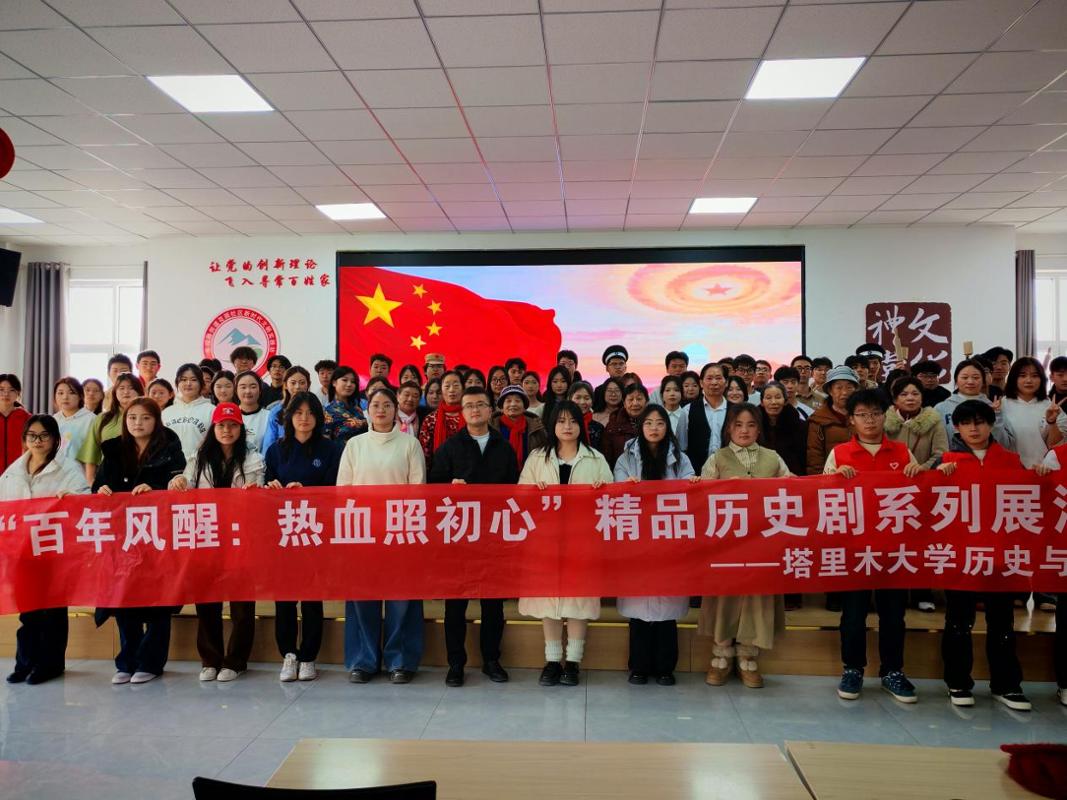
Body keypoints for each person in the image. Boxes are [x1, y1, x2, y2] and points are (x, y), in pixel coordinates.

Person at [825, 389, 923, 704]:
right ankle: (852, 669)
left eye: (876, 414)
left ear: (885, 416)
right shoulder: (839, 453)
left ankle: (892, 671)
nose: (870, 420)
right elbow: (822, 499)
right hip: (853, 548)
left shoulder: (902, 452)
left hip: (894, 550)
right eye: (863, 415)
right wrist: (835, 479)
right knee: (853, 615)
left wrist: (919, 475)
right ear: (851, 420)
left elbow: (922, 498)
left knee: (893, 614)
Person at [935, 399, 1031, 710]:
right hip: (961, 556)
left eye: (979, 422)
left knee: (1002, 622)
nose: (973, 429)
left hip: (1000, 556)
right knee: (958, 622)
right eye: (966, 423)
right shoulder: (946, 462)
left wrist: (1041, 475)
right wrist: (936, 476)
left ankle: (1007, 685)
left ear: (991, 425)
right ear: (957, 428)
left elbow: (1030, 502)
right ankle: (958, 682)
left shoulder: (1012, 462)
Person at [428, 386, 519, 687]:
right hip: (459, 535)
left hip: (493, 535)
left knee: (493, 604)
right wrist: (449, 488)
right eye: (469, 406)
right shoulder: (450, 447)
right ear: (462, 411)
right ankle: (456, 664)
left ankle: (491, 660)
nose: (475, 410)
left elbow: (514, 489)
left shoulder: (503, 447)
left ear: (491, 409)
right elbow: (434, 488)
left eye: (481, 404)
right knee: (455, 605)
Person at [168, 403, 265, 682]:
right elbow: (184, 484)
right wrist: (177, 482)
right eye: (221, 425)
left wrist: (255, 491)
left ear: (241, 429)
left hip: (239, 538)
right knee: (207, 600)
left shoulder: (253, 459)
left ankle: (236, 661)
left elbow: (261, 492)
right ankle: (210, 659)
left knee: (242, 605)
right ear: (213, 428)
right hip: (206, 536)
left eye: (233, 425)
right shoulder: (198, 458)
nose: (227, 430)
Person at [93, 398, 185, 684]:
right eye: (132, 417)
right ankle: (127, 661)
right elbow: (97, 486)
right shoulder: (113, 449)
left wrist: (155, 489)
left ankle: (151, 662)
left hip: (157, 535)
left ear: (156, 421)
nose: (137, 423)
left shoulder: (170, 448)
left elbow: (178, 486)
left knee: (158, 599)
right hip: (123, 536)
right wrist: (101, 489)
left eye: (145, 418)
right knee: (125, 597)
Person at [337, 387, 425, 684]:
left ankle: (401, 660)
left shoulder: (410, 444)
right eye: (375, 405)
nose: (381, 410)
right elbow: (343, 491)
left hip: (400, 531)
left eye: (387, 405)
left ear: (395, 410)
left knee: (402, 599)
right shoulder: (355, 445)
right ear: (367, 410)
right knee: (362, 597)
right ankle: (363, 660)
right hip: (362, 532)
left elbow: (418, 490)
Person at [519, 401, 611, 687]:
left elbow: (611, 502)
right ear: (552, 425)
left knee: (578, 601)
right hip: (546, 541)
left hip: (582, 542)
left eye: (572, 421)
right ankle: (551, 662)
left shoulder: (595, 459)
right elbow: (521, 497)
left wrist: (601, 492)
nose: (567, 427)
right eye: (561, 421)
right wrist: (534, 493)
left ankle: (573, 663)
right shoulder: (538, 457)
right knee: (549, 601)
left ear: (581, 426)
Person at [701, 404, 790, 688]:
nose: (744, 431)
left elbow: (794, 492)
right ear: (728, 428)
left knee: (756, 597)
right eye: (738, 425)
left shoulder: (773, 458)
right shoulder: (717, 459)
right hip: (727, 545)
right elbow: (700, 499)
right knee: (725, 597)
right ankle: (721, 655)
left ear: (759, 429)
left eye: (751, 425)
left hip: (763, 544)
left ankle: (748, 657)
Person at [1, 415, 90, 684]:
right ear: (24, 439)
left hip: (54, 549)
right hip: (23, 550)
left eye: (44, 436)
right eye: (32, 436)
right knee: (28, 610)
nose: (37, 441)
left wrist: (72, 499)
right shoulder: (13, 471)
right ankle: (25, 662)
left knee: (52, 610)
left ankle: (50, 664)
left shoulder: (68, 469)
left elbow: (84, 499)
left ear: (55, 439)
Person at [614, 404, 698, 686]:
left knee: (666, 611)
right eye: (648, 423)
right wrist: (626, 486)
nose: (654, 428)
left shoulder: (680, 458)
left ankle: (665, 668)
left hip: (668, 538)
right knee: (639, 610)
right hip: (637, 538)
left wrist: (694, 483)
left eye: (660, 423)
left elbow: (690, 491)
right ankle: (638, 666)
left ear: (667, 427)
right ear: (641, 427)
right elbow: (617, 491)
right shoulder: (626, 457)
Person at [265, 392, 341, 682]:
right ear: (289, 417)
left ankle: (309, 656)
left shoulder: (331, 449)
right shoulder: (276, 450)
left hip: (315, 532)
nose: (304, 418)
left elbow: (334, 489)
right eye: (298, 413)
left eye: (310, 413)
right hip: (284, 533)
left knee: (311, 597)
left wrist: (308, 493)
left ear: (318, 417)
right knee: (284, 597)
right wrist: (274, 489)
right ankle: (289, 654)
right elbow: (265, 488)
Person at [884, 375, 948, 613]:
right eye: (904, 394)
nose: (910, 398)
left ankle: (923, 592)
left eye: (915, 393)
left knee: (922, 542)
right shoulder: (884, 421)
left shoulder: (934, 421)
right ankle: (895, 592)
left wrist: (922, 469)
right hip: (891, 491)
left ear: (922, 397)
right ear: (894, 399)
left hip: (924, 488)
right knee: (894, 543)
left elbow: (941, 454)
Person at [77, 372, 143, 483]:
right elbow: (91, 453)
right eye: (121, 388)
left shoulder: (150, 417)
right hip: (108, 479)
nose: (126, 392)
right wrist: (91, 481)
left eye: (131, 388)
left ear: (139, 391)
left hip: (140, 477)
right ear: (115, 392)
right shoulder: (102, 419)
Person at [935, 359, 1013, 447]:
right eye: (965, 377)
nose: (970, 382)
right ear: (956, 380)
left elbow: (1004, 444)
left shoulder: (993, 407)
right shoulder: (942, 408)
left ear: (983, 381)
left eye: (976, 377)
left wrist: (996, 416)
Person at [1001, 356, 1061, 468]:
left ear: (1041, 379)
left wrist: (1052, 422)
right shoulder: (1002, 405)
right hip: (1011, 468)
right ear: (1014, 378)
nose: (1029, 380)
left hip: (1043, 469)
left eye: (1034, 376)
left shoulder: (1049, 405)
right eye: (1022, 375)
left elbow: (1054, 444)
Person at [684, 363, 732, 474]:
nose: (714, 382)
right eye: (709, 378)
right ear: (701, 383)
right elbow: (682, 446)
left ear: (726, 382)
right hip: (696, 474)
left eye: (718, 378)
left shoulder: (735, 411)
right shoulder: (688, 410)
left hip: (729, 472)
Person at [162, 363, 214, 459]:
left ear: (201, 383)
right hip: (170, 465)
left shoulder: (211, 410)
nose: (188, 383)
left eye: (194, 380)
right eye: (183, 380)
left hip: (200, 464)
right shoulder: (166, 412)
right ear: (177, 383)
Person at [490, 384, 547, 468]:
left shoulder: (537, 427)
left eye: (517, 401)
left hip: (529, 473)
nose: (513, 404)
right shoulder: (490, 427)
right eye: (508, 401)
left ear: (524, 407)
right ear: (501, 407)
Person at [759, 381, 807, 478]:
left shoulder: (799, 425)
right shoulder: (754, 425)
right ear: (762, 402)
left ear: (785, 401)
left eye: (778, 397)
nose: (773, 402)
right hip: (762, 478)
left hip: (792, 478)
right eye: (768, 398)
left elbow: (803, 456)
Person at [260, 366, 311, 455]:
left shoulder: (315, 407)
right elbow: (269, 442)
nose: (297, 387)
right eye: (293, 383)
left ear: (308, 384)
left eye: (302, 383)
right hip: (282, 457)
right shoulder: (276, 411)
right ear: (286, 385)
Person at [418, 370, 464, 470]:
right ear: (442, 390)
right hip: (438, 472)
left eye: (456, 385)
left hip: (467, 472)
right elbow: (424, 453)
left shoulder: (470, 416)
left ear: (463, 388)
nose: (451, 390)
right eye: (447, 386)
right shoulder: (430, 419)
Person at [600, 383, 648, 468]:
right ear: (624, 403)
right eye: (630, 399)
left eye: (639, 399)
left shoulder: (655, 421)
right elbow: (606, 458)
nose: (635, 403)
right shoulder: (613, 425)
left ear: (647, 402)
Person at [52, 377, 94, 467]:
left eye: (71, 393)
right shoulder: (53, 420)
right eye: (60, 393)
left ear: (80, 396)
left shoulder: (91, 420)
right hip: (54, 472)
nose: (65, 397)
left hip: (80, 472)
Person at [323, 365, 368, 443]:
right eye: (345, 380)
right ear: (334, 383)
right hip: (343, 450)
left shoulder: (357, 408)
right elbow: (325, 441)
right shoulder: (328, 412)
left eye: (353, 381)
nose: (349, 384)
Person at [0, 374, 31, 473]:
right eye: (1, 389)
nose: (6, 394)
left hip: (18, 473)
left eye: (11, 390)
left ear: (18, 393)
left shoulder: (27, 418)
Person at [235, 370, 269, 452]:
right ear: (236, 391)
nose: (248, 391)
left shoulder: (269, 416)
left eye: (253, 387)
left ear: (260, 390)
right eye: (243, 387)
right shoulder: (230, 416)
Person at [657, 375, 689, 450]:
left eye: (676, 390)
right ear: (662, 394)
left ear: (682, 394)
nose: (672, 394)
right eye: (667, 390)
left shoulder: (688, 415)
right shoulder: (657, 415)